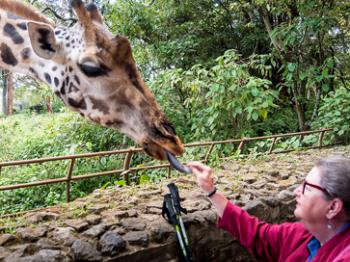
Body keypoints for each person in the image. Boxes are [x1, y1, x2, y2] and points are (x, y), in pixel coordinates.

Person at [187, 156, 350, 262]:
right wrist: (210, 190)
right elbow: (258, 234)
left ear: (333, 207)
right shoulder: (302, 234)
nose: (296, 191)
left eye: (307, 188)